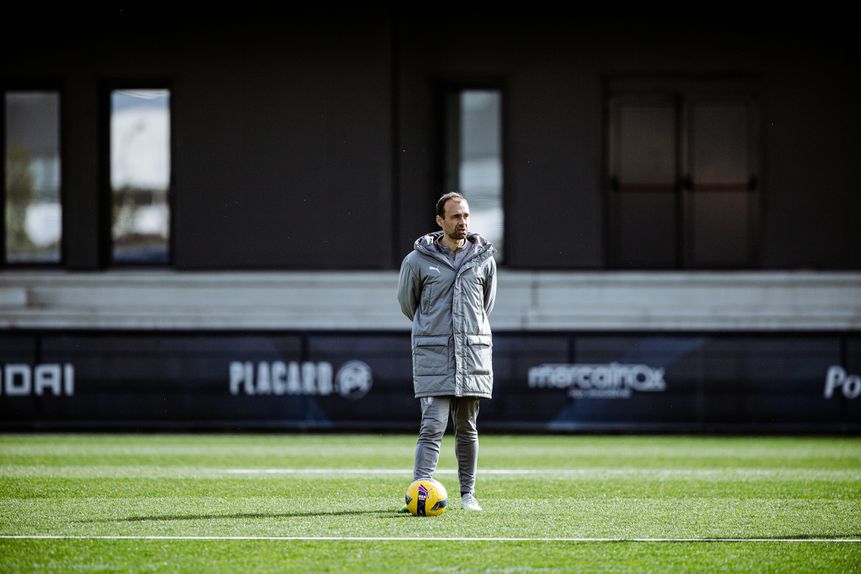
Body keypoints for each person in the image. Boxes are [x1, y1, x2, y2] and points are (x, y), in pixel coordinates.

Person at [396, 192, 497, 511]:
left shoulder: (484, 259)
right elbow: (407, 304)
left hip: (472, 356)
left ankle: (469, 495)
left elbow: (485, 306)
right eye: (455, 216)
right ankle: (419, 494)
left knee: (467, 428)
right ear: (440, 221)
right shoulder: (416, 261)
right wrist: (436, 331)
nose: (462, 221)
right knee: (432, 426)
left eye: (466, 215)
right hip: (435, 355)